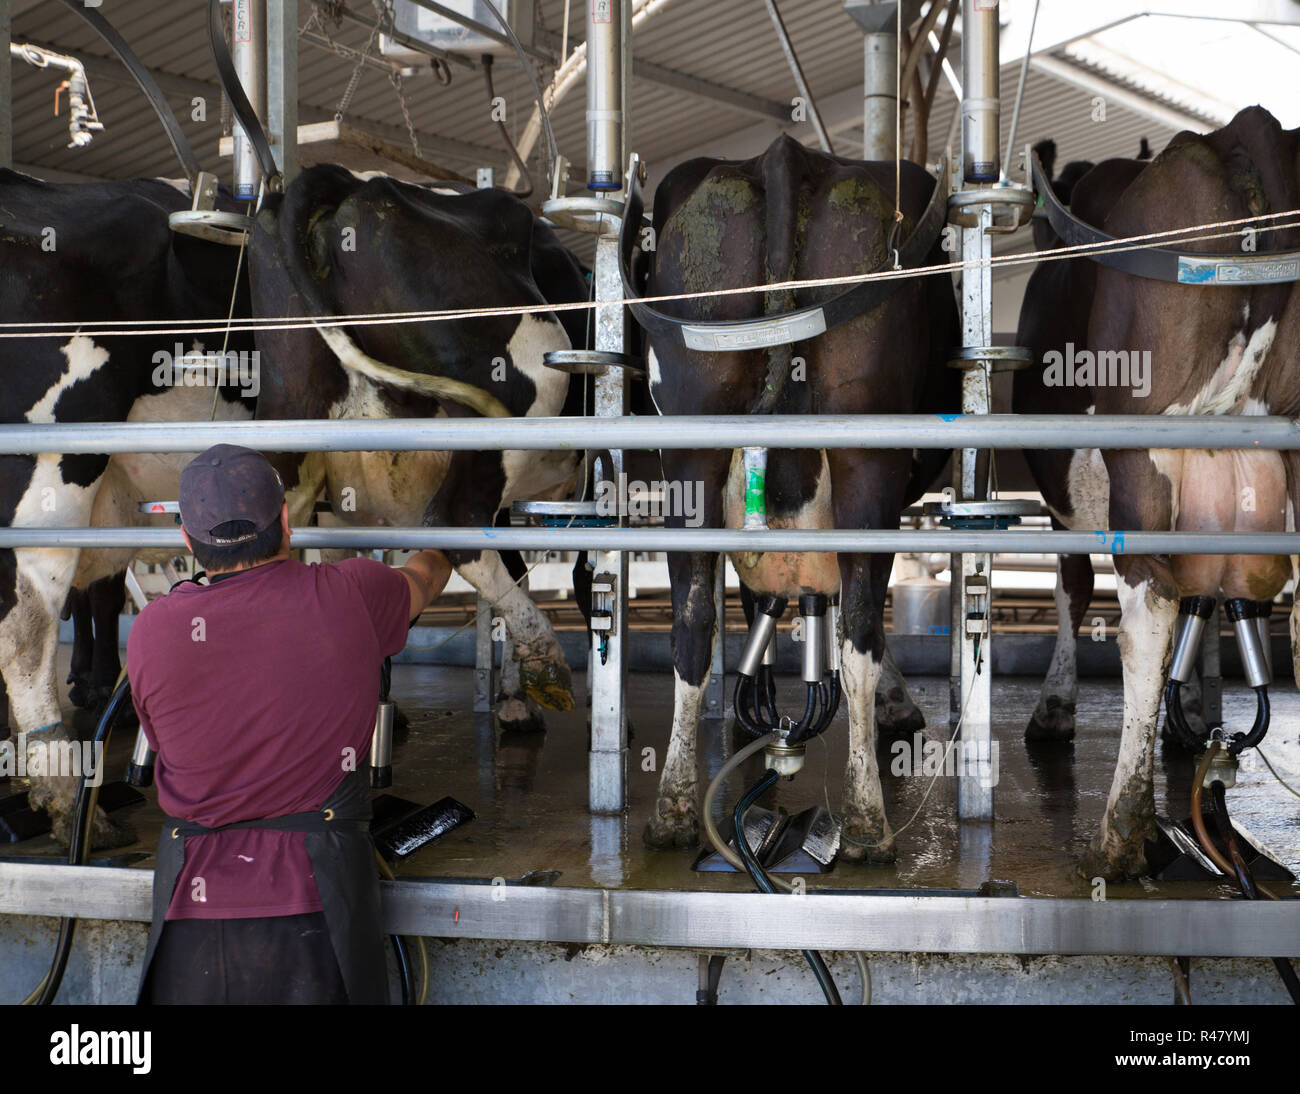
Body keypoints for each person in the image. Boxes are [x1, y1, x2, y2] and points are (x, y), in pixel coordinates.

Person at [128, 444, 452, 1004]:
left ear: (186, 538)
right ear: (286, 520)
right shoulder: (353, 592)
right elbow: (424, 578)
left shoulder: (151, 631)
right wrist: (450, 528)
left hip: (192, 908)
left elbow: (164, 742)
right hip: (316, 900)